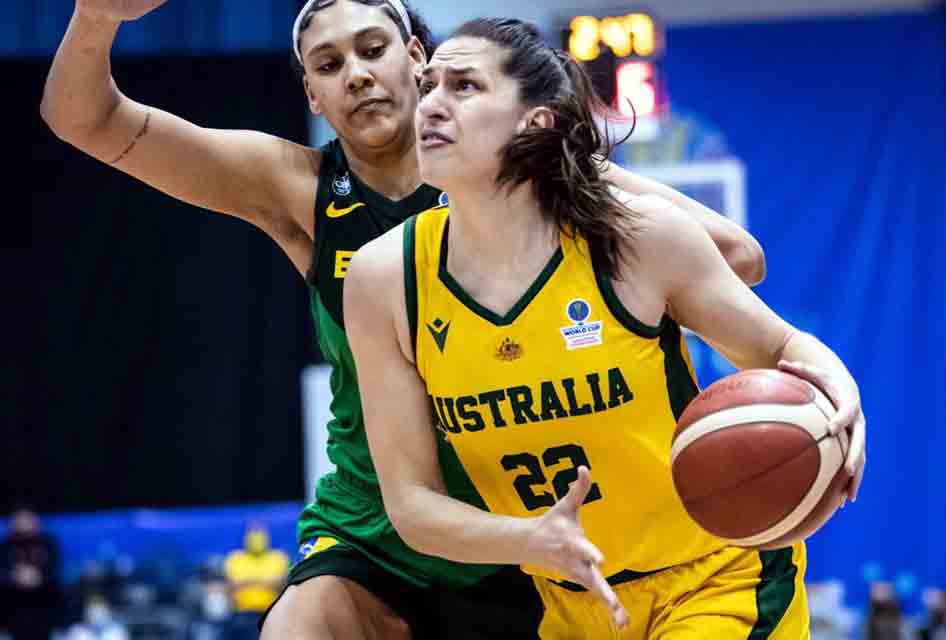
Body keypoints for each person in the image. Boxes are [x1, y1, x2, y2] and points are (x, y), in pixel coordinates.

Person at [41, 1, 765, 637]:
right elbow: (84, 119)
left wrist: (581, 189)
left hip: (520, 531)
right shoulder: (300, 189)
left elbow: (736, 254)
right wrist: (97, 16)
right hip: (377, 527)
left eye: (371, 48)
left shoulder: (528, 168)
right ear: (313, 95)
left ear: (419, 59)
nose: (355, 73)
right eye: (328, 63)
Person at [344, 17, 867, 639]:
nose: (430, 104)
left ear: (533, 122)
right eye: (428, 84)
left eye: (464, 87)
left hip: (715, 579)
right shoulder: (383, 280)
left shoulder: (631, 238)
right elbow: (412, 505)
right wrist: (530, 538)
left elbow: (780, 345)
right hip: (573, 605)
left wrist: (840, 389)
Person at [0, 507, 63, 640]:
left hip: (44, 601)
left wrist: (38, 577)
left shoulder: (47, 543)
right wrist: (14, 576)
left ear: (35, 520)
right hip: (14, 602)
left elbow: (55, 569)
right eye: (18, 518)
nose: (22, 522)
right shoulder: (6, 545)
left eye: (26, 518)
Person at [223, 523, 288, 638]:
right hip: (242, 614)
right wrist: (266, 581)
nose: (256, 539)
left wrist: (247, 581)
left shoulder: (278, 557)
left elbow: (281, 584)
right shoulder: (236, 558)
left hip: (271, 613)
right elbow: (231, 585)